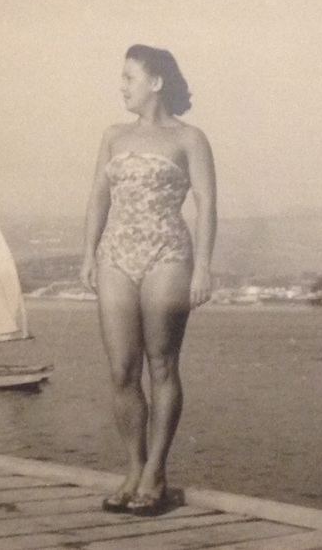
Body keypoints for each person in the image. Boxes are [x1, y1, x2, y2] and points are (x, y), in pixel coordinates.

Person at [80, 44, 217, 516]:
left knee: (161, 364)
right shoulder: (113, 136)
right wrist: (88, 252)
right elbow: (98, 198)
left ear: (155, 82)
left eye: (129, 77)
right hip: (116, 255)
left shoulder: (190, 139)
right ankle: (133, 468)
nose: (121, 86)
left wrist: (203, 266)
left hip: (168, 255)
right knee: (122, 369)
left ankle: (156, 472)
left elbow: (206, 204)